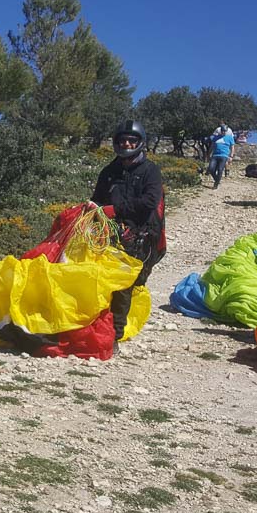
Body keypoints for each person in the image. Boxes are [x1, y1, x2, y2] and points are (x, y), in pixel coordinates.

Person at [91, 120, 166, 352]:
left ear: (140, 143)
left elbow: (150, 201)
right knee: (100, 280)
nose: (126, 144)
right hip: (109, 234)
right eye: (122, 140)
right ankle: (94, 326)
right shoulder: (109, 172)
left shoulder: (150, 171)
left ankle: (115, 334)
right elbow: (97, 198)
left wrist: (115, 210)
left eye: (131, 140)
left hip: (139, 236)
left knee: (123, 286)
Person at [206, 122, 236, 188]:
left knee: (220, 170)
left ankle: (216, 184)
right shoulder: (216, 138)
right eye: (222, 131)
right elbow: (212, 146)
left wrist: (231, 156)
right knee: (211, 169)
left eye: (224, 131)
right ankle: (217, 180)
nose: (223, 132)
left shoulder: (230, 138)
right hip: (215, 155)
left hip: (224, 156)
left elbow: (232, 147)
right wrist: (208, 154)